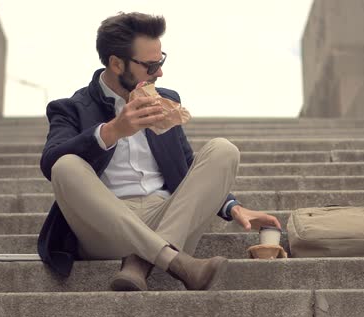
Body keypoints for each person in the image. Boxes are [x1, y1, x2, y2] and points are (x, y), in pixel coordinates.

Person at [37, 12, 281, 292]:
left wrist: (231, 206)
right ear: (117, 63)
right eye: (151, 66)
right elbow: (51, 163)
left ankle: (142, 262)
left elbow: (187, 164)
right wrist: (113, 130)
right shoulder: (71, 107)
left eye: (161, 60)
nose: (160, 72)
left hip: (169, 217)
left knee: (223, 150)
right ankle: (177, 262)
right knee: (65, 165)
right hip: (107, 225)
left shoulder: (165, 99)